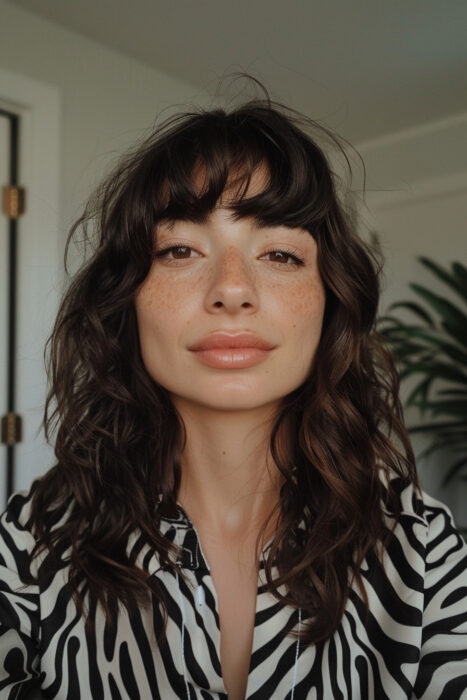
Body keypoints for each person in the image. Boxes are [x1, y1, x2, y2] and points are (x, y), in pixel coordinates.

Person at [1, 77, 467, 700]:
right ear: (126, 299)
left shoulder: (424, 549)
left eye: (279, 254)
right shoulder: (27, 545)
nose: (232, 288)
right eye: (181, 249)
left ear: (330, 302)